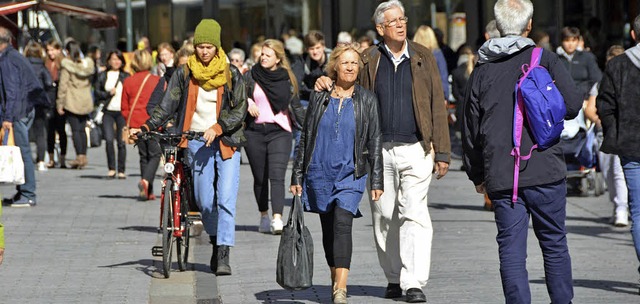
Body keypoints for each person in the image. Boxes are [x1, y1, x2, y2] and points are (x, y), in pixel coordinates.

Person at [315, 1, 450, 302]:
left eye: (403, 19)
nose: (401, 24)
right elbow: (346, 85)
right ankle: (393, 276)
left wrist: (442, 151)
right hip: (377, 152)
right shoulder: (368, 59)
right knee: (384, 216)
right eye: (394, 21)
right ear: (380, 28)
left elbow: (436, 105)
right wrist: (326, 81)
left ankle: (413, 282)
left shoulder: (423, 56)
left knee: (414, 214)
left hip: (416, 147)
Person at [462, 0, 582, 303]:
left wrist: (477, 175)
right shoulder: (545, 59)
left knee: (511, 251)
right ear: (528, 26)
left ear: (499, 27)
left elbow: (470, 128)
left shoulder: (482, 69)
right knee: (554, 244)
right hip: (546, 168)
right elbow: (573, 105)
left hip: (503, 175)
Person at [136, 19, 247, 276]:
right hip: (197, 141)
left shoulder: (231, 74)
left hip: (226, 141)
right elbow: (167, 105)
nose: (204, 51)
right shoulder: (184, 73)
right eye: (200, 47)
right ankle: (215, 237)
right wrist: (145, 127)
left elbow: (240, 110)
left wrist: (218, 127)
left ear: (217, 47)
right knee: (205, 202)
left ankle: (223, 252)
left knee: (227, 198)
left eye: (209, 47)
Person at [291, 44, 383, 304]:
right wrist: (297, 175)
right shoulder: (320, 97)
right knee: (329, 230)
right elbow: (306, 137)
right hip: (319, 172)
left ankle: (340, 289)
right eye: (345, 63)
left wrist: (376, 179)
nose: (351, 67)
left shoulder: (367, 99)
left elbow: (374, 141)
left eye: (355, 63)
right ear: (335, 67)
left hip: (350, 174)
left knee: (343, 223)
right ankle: (335, 277)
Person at [244, 39, 305, 234]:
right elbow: (236, 96)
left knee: (277, 176)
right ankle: (264, 215)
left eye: (268, 55)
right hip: (254, 132)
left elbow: (295, 105)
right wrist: (247, 102)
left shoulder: (287, 78)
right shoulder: (251, 76)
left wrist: (310, 126)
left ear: (278, 59)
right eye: (262, 54)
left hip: (280, 132)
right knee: (260, 178)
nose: (263, 57)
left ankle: (277, 218)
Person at [597, 14, 640, 291]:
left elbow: (605, 105)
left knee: (638, 211)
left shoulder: (619, 65)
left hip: (632, 147)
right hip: (630, 144)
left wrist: (616, 133)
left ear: (633, 35)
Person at [0, 27, 49, 207]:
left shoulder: (7, 60)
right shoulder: (13, 56)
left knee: (22, 152)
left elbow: (11, 91)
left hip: (18, 111)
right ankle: (23, 191)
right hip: (24, 109)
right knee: (21, 152)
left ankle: (28, 193)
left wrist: (8, 117)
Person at [585, 45, 628, 227]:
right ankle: (617, 205)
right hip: (604, 134)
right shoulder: (600, 84)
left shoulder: (629, 82)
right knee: (609, 173)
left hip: (624, 135)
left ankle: (622, 209)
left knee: (619, 172)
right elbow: (590, 109)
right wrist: (602, 121)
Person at [121, 50, 161, 200]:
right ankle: (145, 182)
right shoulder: (157, 80)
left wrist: (130, 122)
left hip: (135, 123)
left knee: (143, 155)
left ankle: (147, 191)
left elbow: (124, 106)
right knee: (155, 154)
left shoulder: (128, 81)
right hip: (152, 123)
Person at [57, 40, 95, 169]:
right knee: (83, 129)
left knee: (75, 130)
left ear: (67, 51)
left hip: (72, 100)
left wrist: (59, 103)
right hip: (85, 99)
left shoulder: (67, 66)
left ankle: (79, 156)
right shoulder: (87, 65)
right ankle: (83, 156)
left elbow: (63, 85)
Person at [94, 50, 131, 179]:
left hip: (122, 111)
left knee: (121, 141)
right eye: (113, 59)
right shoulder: (103, 75)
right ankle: (111, 168)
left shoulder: (126, 76)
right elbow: (97, 93)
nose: (116, 62)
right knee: (109, 140)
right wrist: (108, 93)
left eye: (118, 59)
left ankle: (121, 170)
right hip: (108, 111)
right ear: (109, 61)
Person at [24, 41, 54, 172]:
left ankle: (25, 160)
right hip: (39, 102)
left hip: (25, 102)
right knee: (40, 132)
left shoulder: (22, 65)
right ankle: (41, 161)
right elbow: (49, 82)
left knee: (23, 131)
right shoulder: (42, 66)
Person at [557, 26, 602, 101]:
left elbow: (597, 79)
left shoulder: (587, 57)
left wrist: (589, 98)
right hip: (560, 100)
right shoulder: (555, 59)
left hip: (583, 100)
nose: (570, 44)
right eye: (567, 40)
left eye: (573, 40)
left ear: (578, 41)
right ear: (562, 41)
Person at [44, 40, 67, 169]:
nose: (50, 53)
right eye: (48, 50)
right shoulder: (46, 62)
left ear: (59, 49)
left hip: (60, 98)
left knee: (61, 129)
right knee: (50, 130)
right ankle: (51, 158)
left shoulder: (63, 63)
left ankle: (62, 158)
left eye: (52, 50)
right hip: (49, 97)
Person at [413, 25, 450, 102]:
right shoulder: (437, 54)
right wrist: (445, 96)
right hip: (435, 95)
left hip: (416, 95)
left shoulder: (412, 54)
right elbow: (443, 75)